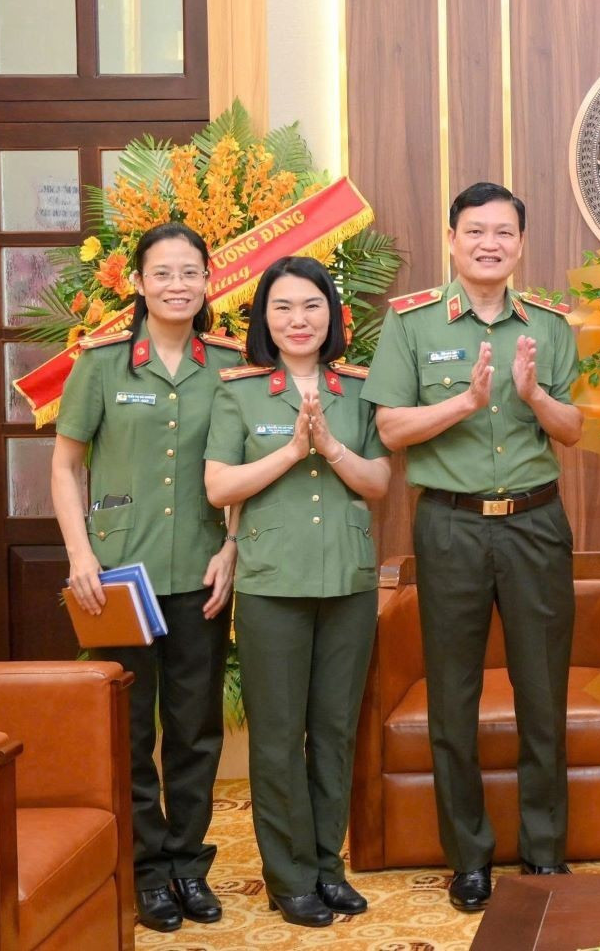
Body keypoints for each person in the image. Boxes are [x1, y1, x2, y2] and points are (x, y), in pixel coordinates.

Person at [362, 182, 582, 913]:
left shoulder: (548, 326)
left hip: (535, 522)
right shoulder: (412, 323)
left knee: (542, 693)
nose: (490, 243)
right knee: (452, 696)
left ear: (521, 244)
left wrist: (533, 395)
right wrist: (464, 402)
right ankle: (471, 857)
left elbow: (576, 428)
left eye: (504, 233)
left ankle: (546, 854)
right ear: (452, 239)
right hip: (450, 524)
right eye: (476, 231)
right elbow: (390, 431)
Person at [49, 221, 245, 933]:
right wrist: (79, 555)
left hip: (200, 570)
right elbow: (66, 466)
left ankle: (190, 867)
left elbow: (237, 471)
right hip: (118, 576)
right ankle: (147, 871)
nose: (176, 285)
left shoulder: (227, 364)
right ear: (138, 282)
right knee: (129, 732)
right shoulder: (99, 365)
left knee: (194, 729)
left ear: (207, 281)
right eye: (162, 273)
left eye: (189, 272)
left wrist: (232, 547)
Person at [204, 257, 392, 927]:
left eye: (311, 305)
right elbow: (218, 487)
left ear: (333, 315)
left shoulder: (360, 391)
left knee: (335, 732)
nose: (298, 320)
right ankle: (289, 878)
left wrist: (330, 446)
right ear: (264, 319)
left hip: (347, 581)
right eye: (282, 307)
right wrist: (290, 451)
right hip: (272, 586)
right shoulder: (239, 393)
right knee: (280, 736)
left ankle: (327, 867)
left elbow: (378, 484)